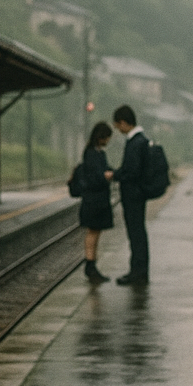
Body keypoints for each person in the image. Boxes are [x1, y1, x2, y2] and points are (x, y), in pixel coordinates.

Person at [111, 104, 150, 286]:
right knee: (137, 233)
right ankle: (139, 271)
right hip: (137, 195)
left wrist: (115, 175)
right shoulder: (140, 140)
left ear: (124, 122)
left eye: (118, 125)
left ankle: (138, 272)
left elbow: (132, 171)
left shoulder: (135, 142)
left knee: (136, 234)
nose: (118, 130)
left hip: (133, 195)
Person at [79, 121, 114, 282]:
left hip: (98, 199)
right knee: (93, 231)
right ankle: (90, 264)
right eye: (106, 137)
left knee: (96, 231)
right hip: (93, 200)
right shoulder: (91, 153)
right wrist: (104, 176)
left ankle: (92, 264)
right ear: (101, 137)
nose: (108, 140)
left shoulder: (98, 152)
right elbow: (93, 176)